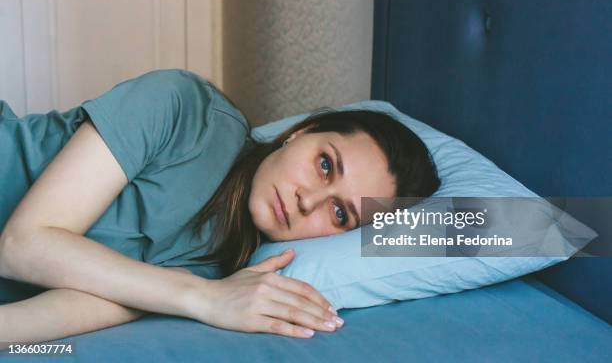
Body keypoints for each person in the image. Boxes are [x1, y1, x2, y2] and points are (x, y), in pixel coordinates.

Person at [0, 69, 440, 345]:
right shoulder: (185, 109)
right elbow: (23, 245)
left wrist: (200, 293)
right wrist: (201, 299)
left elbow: (26, 323)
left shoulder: (230, 270)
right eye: (325, 165)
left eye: (340, 214)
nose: (309, 201)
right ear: (301, 132)